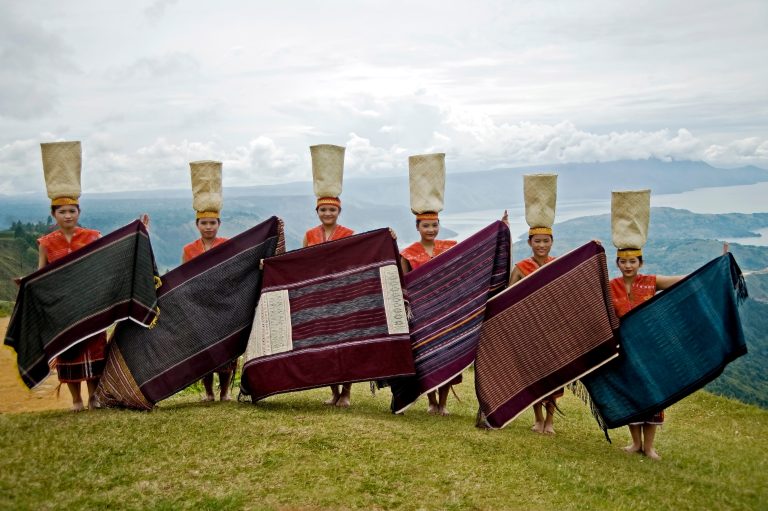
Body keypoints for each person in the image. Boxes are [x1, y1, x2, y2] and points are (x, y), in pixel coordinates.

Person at [608, 190, 728, 460]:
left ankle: (649, 446)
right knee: (632, 394)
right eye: (623, 261)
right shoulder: (609, 287)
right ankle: (635, 443)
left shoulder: (651, 282)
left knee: (653, 394)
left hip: (651, 349)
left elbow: (684, 280)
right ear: (617, 263)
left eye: (633, 261)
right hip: (624, 350)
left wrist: (716, 265)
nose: (628, 265)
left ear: (641, 262)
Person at [36, 141, 149, 411]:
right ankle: (75, 399)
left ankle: (94, 396)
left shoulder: (91, 237)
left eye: (72, 210)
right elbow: (41, 274)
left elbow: (113, 254)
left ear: (79, 212)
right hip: (64, 307)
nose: (67, 215)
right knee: (69, 352)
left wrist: (138, 231)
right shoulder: (47, 243)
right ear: (53, 214)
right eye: (62, 211)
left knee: (94, 349)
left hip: (91, 303)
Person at [508, 174, 563, 435]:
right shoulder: (521, 267)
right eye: (537, 241)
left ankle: (550, 421)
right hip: (529, 328)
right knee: (533, 373)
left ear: (551, 242)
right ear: (530, 243)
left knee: (552, 375)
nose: (541, 245)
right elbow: (508, 295)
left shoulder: (558, 264)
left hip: (553, 327)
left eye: (546, 241)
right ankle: (538, 418)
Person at [304, 144, 355, 407]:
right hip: (319, 293)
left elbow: (357, 260)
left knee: (344, 341)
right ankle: (333, 391)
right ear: (318, 212)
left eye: (332, 210)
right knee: (324, 340)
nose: (327, 214)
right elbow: (302, 262)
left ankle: (346, 392)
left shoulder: (348, 234)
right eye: (323, 210)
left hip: (342, 292)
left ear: (338, 211)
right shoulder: (310, 235)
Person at [182, 160, 235, 402]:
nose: (208, 227)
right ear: (197, 225)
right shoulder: (189, 249)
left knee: (225, 350)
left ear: (218, 224)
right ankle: (208, 392)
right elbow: (184, 277)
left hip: (223, 304)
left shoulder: (226, 245)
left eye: (212, 223)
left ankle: (224, 392)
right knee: (204, 350)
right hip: (200, 306)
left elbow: (236, 270)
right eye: (204, 223)